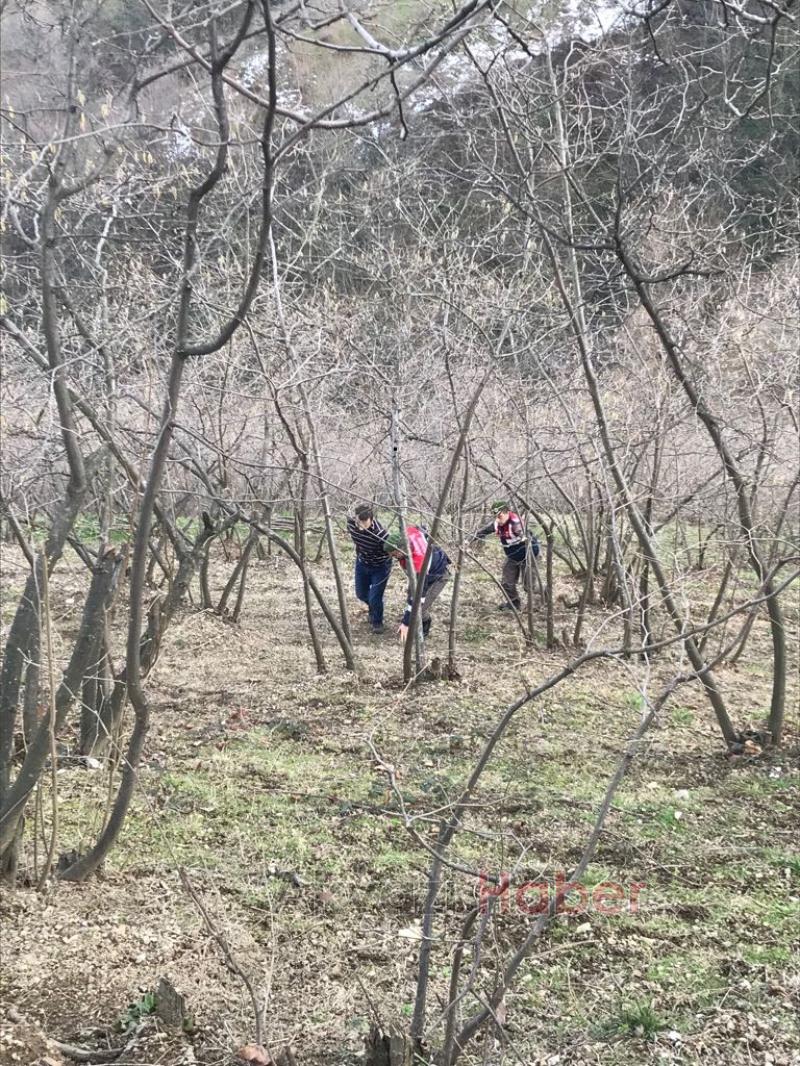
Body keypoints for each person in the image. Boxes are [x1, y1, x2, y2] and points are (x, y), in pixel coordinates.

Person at [384, 526, 451, 642]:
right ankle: (411, 619)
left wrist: (405, 623)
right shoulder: (408, 532)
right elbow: (420, 527)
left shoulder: (418, 561)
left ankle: (424, 627)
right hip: (422, 571)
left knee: (419, 608)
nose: (392, 557)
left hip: (438, 575)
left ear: (401, 549)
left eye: (394, 554)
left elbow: (419, 596)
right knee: (411, 598)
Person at [474, 500, 539, 611]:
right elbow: (482, 532)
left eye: (500, 516)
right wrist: (468, 539)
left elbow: (525, 534)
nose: (498, 519)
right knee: (506, 582)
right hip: (512, 556)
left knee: (528, 586)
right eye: (496, 516)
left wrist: (525, 537)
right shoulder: (496, 524)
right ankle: (513, 604)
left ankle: (541, 599)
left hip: (528, 555)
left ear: (507, 512)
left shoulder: (516, 523)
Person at [346, 504, 392, 633]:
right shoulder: (351, 524)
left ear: (371, 519)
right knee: (361, 594)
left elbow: (392, 552)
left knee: (375, 597)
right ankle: (374, 606)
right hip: (362, 563)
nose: (360, 525)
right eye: (358, 521)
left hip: (380, 566)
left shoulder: (380, 534)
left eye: (364, 522)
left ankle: (377, 622)